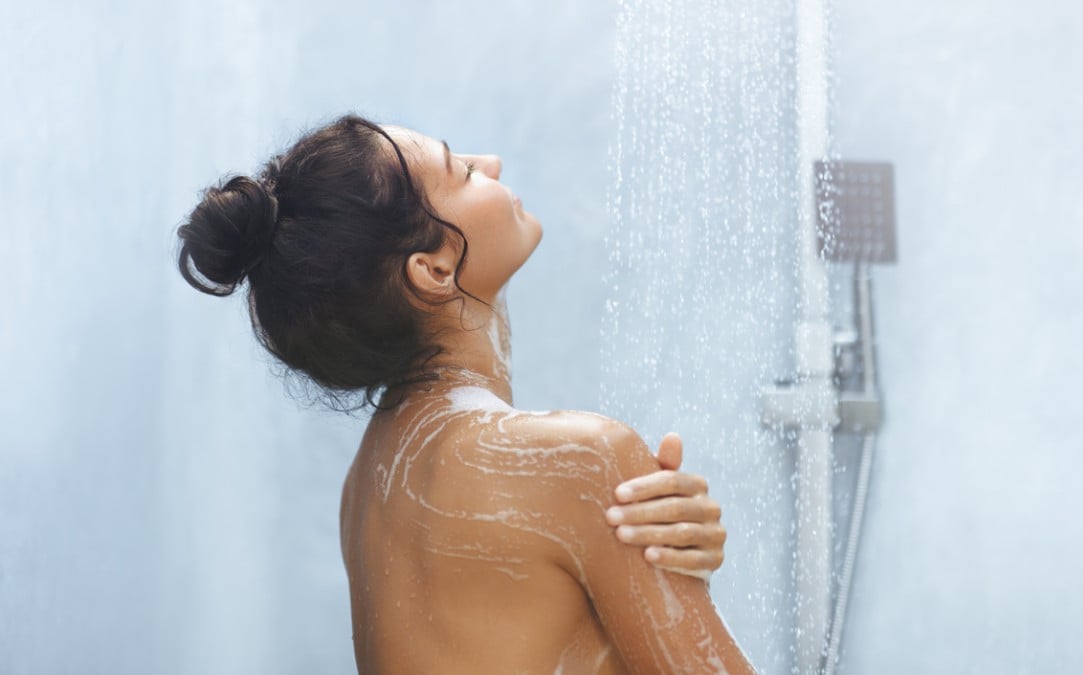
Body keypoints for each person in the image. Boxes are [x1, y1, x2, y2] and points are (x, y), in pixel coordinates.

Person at [176, 114, 755, 674]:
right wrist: (668, 586)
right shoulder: (578, 462)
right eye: (464, 172)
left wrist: (657, 573)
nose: (493, 163)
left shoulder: (370, 483)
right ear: (432, 269)